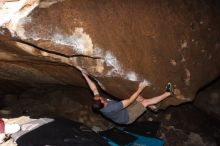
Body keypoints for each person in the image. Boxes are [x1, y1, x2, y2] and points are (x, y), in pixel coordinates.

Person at [81, 70, 174, 125]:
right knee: (144, 102)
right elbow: (129, 101)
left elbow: (93, 89)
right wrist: (140, 88)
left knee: (138, 98)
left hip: (123, 111)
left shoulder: (98, 102)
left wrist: (85, 75)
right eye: (100, 99)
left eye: (97, 97)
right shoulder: (111, 108)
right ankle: (168, 93)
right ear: (103, 103)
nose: (98, 96)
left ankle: (153, 107)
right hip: (127, 117)